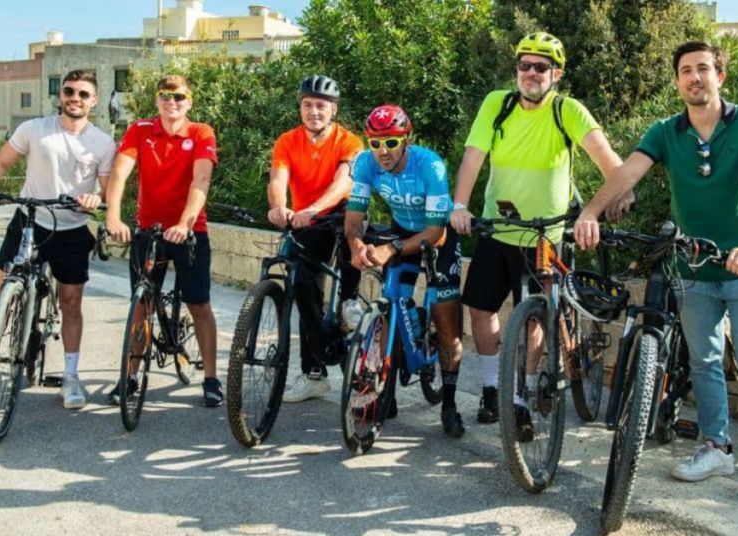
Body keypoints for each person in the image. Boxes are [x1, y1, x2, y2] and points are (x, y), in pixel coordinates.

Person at [572, 41, 738, 512]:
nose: (695, 77)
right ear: (677, 82)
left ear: (720, 77)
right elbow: (629, 172)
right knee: (705, 362)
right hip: (692, 266)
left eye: (704, 69)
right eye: (686, 71)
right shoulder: (666, 131)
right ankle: (717, 448)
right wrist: (591, 211)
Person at [449, 32, 631, 429]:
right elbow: (472, 159)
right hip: (498, 228)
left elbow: (610, 161)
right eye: (524, 65)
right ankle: (492, 390)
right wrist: (460, 205)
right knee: (481, 309)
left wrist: (620, 193)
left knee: (533, 318)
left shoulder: (568, 110)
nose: (530, 73)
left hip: (545, 236)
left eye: (541, 67)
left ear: (557, 73)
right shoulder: (497, 105)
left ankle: (523, 396)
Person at [0, 69, 115, 414]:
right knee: (2, 289)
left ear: (93, 101)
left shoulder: (102, 143)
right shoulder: (34, 129)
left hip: (72, 228)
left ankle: (72, 376)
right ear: (60, 95)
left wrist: (94, 197)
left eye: (82, 93)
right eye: (69, 91)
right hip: (30, 219)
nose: (74, 97)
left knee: (71, 301)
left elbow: (105, 189)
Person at [344, 104, 466, 437]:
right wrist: (357, 246)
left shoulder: (430, 166)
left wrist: (392, 248)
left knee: (444, 320)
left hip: (436, 237)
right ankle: (386, 391)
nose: (383, 152)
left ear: (406, 140)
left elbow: (435, 233)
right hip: (401, 230)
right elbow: (354, 220)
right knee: (391, 302)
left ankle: (450, 404)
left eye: (391, 143)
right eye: (375, 143)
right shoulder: (366, 163)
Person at [104, 74, 222, 407]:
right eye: (165, 96)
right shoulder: (141, 130)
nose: (172, 103)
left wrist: (185, 223)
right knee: (140, 306)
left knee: (199, 304)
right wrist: (112, 216)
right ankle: (129, 376)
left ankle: (211, 378)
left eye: (179, 97)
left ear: (190, 101)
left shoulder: (201, 132)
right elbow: (119, 173)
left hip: (188, 231)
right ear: (157, 100)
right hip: (149, 229)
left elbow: (201, 180)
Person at [267, 74, 364, 403]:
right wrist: (279, 207)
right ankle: (314, 372)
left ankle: (349, 300)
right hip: (305, 219)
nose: (313, 112)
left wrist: (314, 208)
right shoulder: (287, 141)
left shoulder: (349, 141)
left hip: (337, 212)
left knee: (353, 228)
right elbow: (278, 178)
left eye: (320, 106)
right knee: (302, 284)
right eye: (307, 105)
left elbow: (344, 182)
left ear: (333, 109)